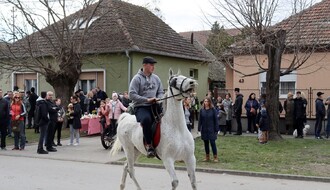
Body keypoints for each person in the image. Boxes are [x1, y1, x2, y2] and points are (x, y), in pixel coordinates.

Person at [129, 56, 164, 158]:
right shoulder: (137, 79)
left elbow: (161, 92)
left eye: (154, 65)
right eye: (151, 64)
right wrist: (146, 100)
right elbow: (131, 94)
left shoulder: (156, 78)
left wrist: (159, 98)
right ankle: (149, 145)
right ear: (144, 65)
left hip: (155, 106)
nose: (153, 67)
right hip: (141, 107)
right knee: (146, 119)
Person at [198, 97, 219, 162]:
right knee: (206, 143)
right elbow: (200, 120)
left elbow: (216, 120)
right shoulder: (202, 110)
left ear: (209, 102)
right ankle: (207, 156)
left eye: (207, 101)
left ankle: (215, 157)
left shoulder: (213, 110)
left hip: (211, 129)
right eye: (205, 101)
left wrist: (217, 129)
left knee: (212, 142)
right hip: (204, 129)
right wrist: (199, 129)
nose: (206, 103)